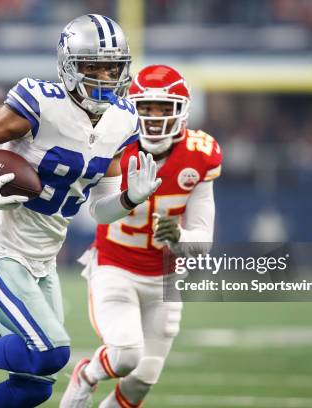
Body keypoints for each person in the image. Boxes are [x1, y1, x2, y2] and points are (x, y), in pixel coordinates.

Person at [0, 15, 162, 408]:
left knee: (37, 383)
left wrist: (129, 199)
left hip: (43, 257)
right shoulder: (41, 104)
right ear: (69, 67)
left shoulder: (123, 121)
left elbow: (99, 213)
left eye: (112, 66)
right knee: (52, 352)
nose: (104, 75)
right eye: (93, 66)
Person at [60, 65, 222, 408]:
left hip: (165, 277)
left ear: (182, 111)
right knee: (125, 356)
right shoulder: (114, 146)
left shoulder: (200, 154)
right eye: (146, 107)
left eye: (164, 108)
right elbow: (98, 212)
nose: (155, 117)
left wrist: (178, 236)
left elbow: (202, 243)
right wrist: (129, 197)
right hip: (115, 267)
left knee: (141, 382)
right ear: (132, 107)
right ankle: (86, 376)